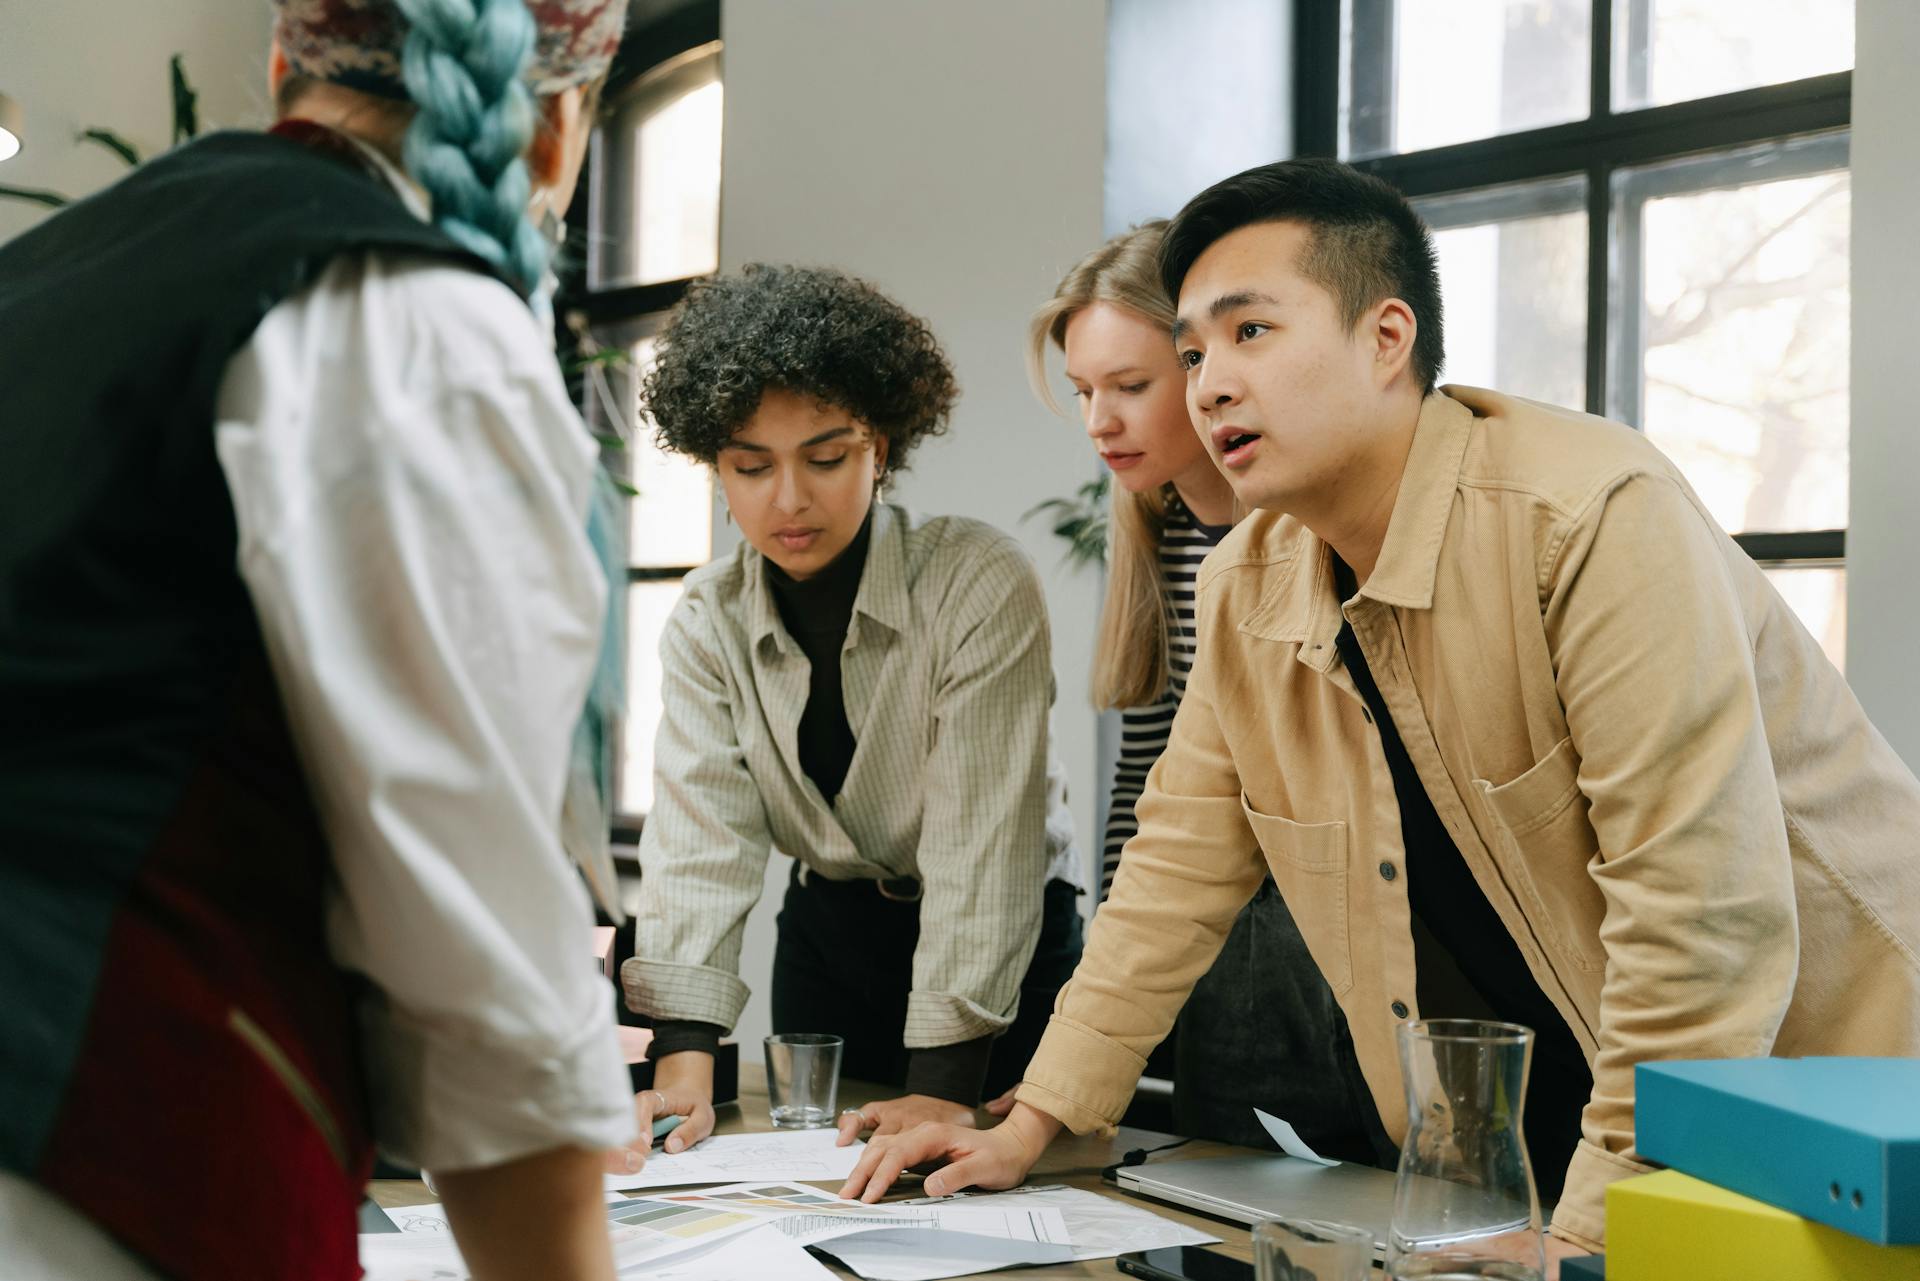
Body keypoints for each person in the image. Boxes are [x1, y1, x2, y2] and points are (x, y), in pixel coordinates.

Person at [841, 158, 1920, 1271]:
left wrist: (1597, 1241)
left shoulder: (1590, 516)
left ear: (1386, 338)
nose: (1208, 386)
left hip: (1830, 1108)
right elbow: (1172, 874)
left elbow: (1701, 921)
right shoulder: (1247, 582)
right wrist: (1032, 1120)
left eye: (1251, 332)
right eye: (1198, 352)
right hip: (1568, 1129)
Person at [0, 2, 640, 1278]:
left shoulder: (40, 282)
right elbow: (480, 973)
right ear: (560, 126)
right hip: (115, 1160)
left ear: (287, 68)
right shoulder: (407, 320)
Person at [617, 263, 1085, 1157]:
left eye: (827, 458)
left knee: (978, 1213)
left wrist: (944, 1091)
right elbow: (698, 843)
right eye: (751, 466)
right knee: (809, 1194)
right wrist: (683, 1069)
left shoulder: (976, 581)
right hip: (830, 943)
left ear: (881, 445)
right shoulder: (707, 617)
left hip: (1004, 962)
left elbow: (983, 848)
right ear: (715, 468)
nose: (789, 498)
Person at [1016, 222, 1389, 1162]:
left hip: (1321, 912)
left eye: (1132, 387)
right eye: (1084, 392)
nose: (1100, 420)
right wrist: (1115, 981)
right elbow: (1154, 788)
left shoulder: (1300, 527)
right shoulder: (1164, 527)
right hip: (1204, 918)